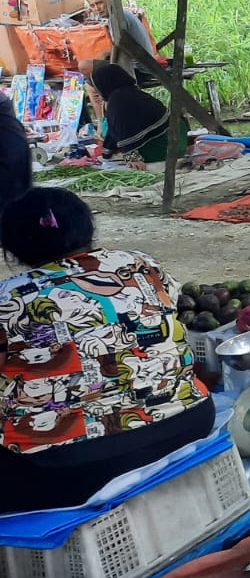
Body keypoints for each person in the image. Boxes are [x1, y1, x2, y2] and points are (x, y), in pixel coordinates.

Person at [0, 187, 214, 512]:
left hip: (67, 468)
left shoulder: (8, 300)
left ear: (12, 248)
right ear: (87, 228)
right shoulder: (140, 265)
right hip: (188, 424)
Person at [89, 63, 170, 165]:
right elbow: (115, 130)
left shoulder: (117, 100)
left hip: (163, 146)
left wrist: (132, 157)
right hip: (176, 138)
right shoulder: (130, 91)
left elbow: (121, 130)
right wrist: (106, 152)